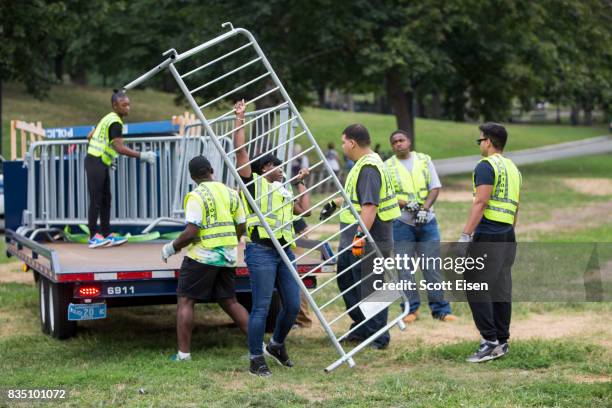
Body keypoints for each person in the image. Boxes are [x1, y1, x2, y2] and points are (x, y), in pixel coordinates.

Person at [233, 99, 311, 377]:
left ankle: (276, 345)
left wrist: (300, 181)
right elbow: (240, 151)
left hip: (284, 252)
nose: (283, 170)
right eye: (280, 167)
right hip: (261, 252)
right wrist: (240, 120)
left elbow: (303, 209)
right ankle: (256, 358)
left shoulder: (282, 190)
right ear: (266, 167)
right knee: (262, 307)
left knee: (291, 305)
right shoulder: (253, 184)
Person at [161, 156, 250, 361]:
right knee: (231, 302)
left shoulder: (196, 196)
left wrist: (171, 248)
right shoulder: (231, 192)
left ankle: (183, 355)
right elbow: (242, 225)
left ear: (192, 177)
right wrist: (231, 242)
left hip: (202, 256)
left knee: (186, 301)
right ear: (211, 170)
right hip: (227, 256)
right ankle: (258, 346)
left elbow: (191, 232)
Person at [320, 124, 400, 349]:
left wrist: (359, 236)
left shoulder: (369, 168)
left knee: (371, 288)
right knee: (348, 283)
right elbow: (355, 196)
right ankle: (361, 328)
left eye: (344, 142)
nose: (342, 146)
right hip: (354, 239)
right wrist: (336, 203)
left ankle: (377, 337)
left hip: (368, 239)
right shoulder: (361, 165)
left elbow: (370, 206)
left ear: (352, 142)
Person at [459, 122, 521, 363]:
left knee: (475, 285)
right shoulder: (513, 168)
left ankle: (489, 342)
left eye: (480, 140)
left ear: (489, 142)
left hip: (488, 233)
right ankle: (502, 340)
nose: (480, 144)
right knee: (500, 286)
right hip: (507, 233)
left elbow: (481, 202)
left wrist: (465, 235)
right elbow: (516, 206)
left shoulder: (486, 166)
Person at [385, 130, 457, 323]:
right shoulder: (388, 166)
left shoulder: (425, 160)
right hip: (401, 224)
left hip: (428, 223)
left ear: (409, 141)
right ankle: (410, 310)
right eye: (394, 142)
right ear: (392, 146)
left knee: (432, 267)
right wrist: (405, 203)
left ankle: (441, 310)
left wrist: (425, 209)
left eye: (401, 140)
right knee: (404, 269)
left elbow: (435, 186)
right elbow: (387, 194)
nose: (398, 144)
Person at [85, 90, 156, 248]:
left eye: (129, 104)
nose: (128, 108)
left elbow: (90, 136)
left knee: (106, 200)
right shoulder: (116, 122)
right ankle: (93, 237)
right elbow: (119, 147)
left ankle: (106, 234)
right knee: (97, 200)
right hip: (96, 162)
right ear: (115, 106)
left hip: (99, 162)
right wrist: (141, 155)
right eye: (124, 105)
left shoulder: (108, 118)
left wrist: (106, 156)